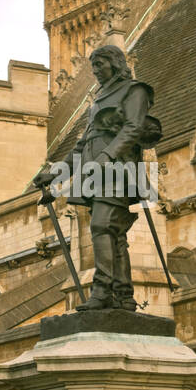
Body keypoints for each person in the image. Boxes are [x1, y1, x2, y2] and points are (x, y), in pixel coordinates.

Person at [66, 44, 159, 311]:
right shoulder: (99, 98)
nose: (95, 71)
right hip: (96, 174)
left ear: (115, 63)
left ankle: (102, 291)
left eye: (100, 64)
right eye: (93, 66)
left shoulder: (134, 90)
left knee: (101, 226)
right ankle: (124, 296)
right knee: (115, 234)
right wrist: (53, 172)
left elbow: (133, 127)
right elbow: (83, 143)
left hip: (118, 169)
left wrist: (106, 156)